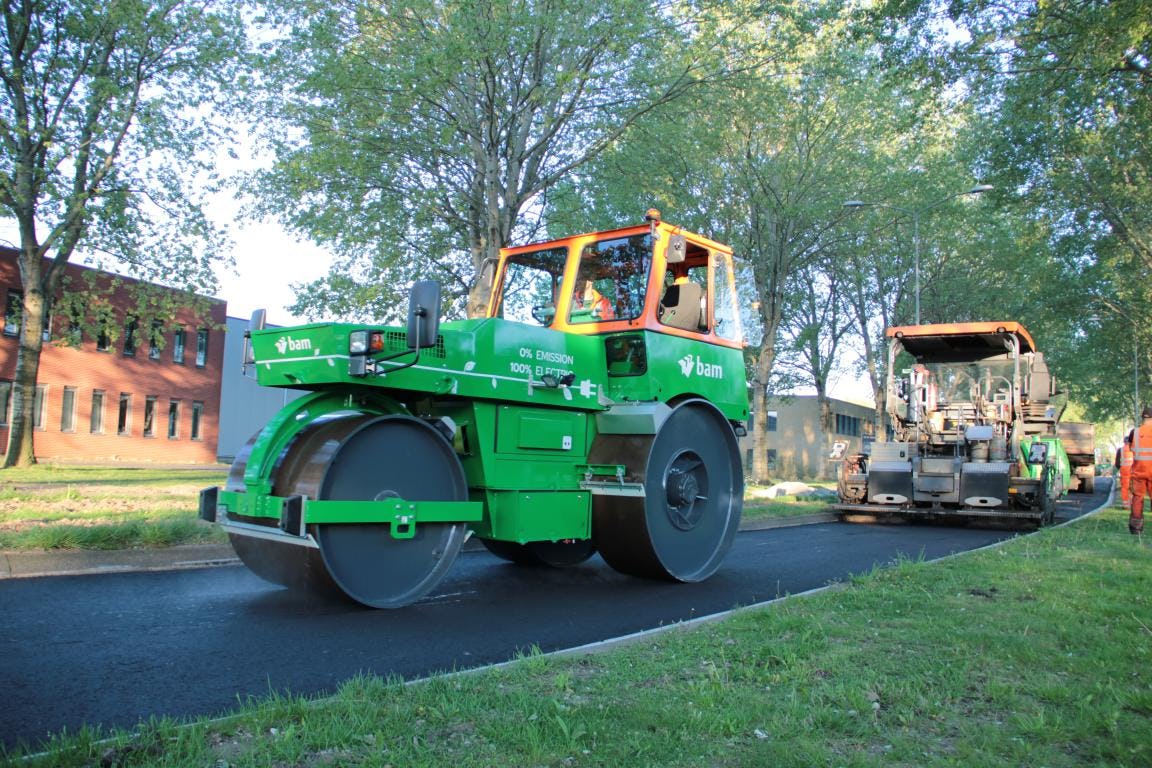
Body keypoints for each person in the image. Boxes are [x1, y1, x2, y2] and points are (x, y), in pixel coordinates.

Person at [1130, 405, 1152, 535]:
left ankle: (1136, 528)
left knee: (1138, 498)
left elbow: (1130, 449)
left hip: (1139, 471)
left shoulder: (1135, 432)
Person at [1118, 431, 1134, 508]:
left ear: (1124, 442)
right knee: (1132, 488)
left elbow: (1117, 463)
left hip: (1124, 472)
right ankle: (1132, 503)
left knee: (1125, 488)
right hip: (1134, 472)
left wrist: (1120, 469)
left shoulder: (1120, 450)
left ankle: (1125, 504)